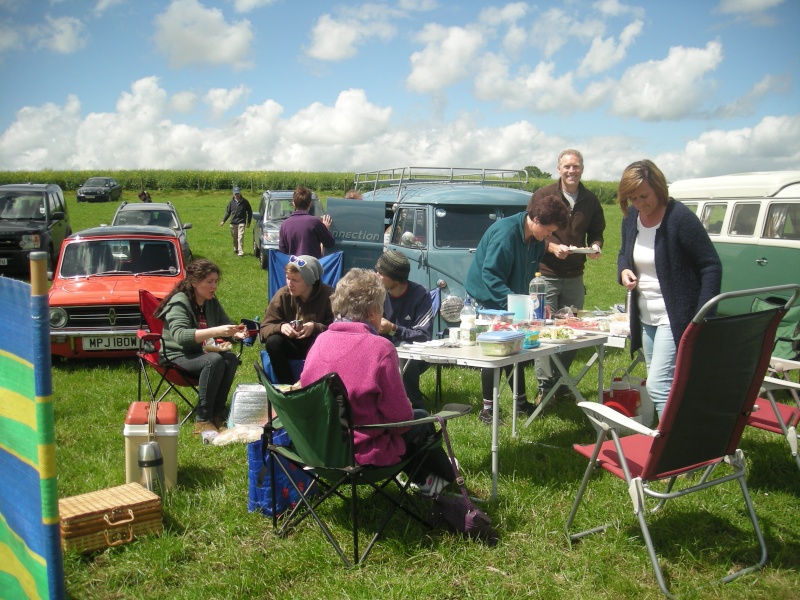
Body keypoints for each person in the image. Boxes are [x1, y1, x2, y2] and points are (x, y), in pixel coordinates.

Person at [301, 268, 456, 496]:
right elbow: (401, 421)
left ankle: (436, 476)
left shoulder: (320, 341)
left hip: (318, 450)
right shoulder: (380, 348)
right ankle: (439, 477)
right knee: (421, 418)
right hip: (362, 455)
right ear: (374, 311)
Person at [617, 159, 722, 420]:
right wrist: (623, 271)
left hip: (675, 315)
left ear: (659, 187)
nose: (639, 203)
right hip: (646, 315)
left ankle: (674, 449)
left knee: (658, 385)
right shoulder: (631, 218)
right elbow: (623, 253)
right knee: (662, 379)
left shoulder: (679, 218)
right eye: (633, 197)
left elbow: (711, 266)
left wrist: (702, 315)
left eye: (644, 196)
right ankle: (679, 437)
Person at [465, 195, 570, 424]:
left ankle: (520, 403)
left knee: (517, 350)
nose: (549, 236)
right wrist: (516, 306)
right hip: (489, 296)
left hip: (512, 297)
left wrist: (533, 304)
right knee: (496, 350)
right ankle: (488, 409)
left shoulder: (536, 239)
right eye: (548, 230)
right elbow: (490, 275)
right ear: (535, 219)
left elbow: (529, 276)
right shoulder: (506, 234)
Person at [531, 149, 606, 403]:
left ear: (582, 168)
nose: (571, 171)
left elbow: (597, 231)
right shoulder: (544, 195)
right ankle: (544, 387)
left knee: (572, 329)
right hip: (547, 274)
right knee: (545, 328)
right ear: (558, 168)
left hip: (575, 274)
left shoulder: (590, 200)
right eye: (567, 167)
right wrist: (552, 246)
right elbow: (533, 229)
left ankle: (559, 381)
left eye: (576, 166)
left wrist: (595, 246)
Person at [156, 259, 248, 436]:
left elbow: (225, 323)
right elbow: (181, 337)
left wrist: (236, 333)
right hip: (176, 354)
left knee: (229, 358)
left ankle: (216, 413)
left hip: (200, 352)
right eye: (209, 282)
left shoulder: (210, 301)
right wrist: (215, 331)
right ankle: (203, 419)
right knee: (213, 360)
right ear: (194, 282)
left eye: (215, 281)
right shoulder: (180, 302)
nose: (214, 286)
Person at [259, 254, 335, 384]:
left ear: (310, 281)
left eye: (295, 280)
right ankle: (288, 386)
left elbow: (341, 330)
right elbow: (264, 329)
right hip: (292, 345)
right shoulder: (283, 295)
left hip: (318, 347)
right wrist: (280, 327)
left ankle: (319, 386)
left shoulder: (329, 296)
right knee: (273, 342)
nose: (290, 284)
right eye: (288, 278)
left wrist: (316, 328)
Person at [374, 250, 434, 410]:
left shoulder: (420, 294)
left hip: (412, 355)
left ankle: (415, 407)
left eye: (381, 273)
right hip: (380, 350)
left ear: (396, 278)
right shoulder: (376, 293)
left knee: (402, 348)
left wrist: (393, 329)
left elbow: (423, 336)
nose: (376, 276)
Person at [278, 187, 335, 258]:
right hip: (311, 266)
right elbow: (330, 243)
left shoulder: (285, 225)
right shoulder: (315, 222)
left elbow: (282, 251)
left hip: (293, 266)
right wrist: (326, 228)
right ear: (310, 204)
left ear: (293, 204)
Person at [219, 186, 252, 256]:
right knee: (235, 237)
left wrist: (248, 221)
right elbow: (228, 212)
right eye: (235, 194)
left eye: (238, 194)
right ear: (233, 194)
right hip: (233, 222)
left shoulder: (245, 202)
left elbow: (250, 211)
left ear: (240, 193)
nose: (237, 195)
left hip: (241, 222)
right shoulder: (231, 203)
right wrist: (223, 221)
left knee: (240, 237)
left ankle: (240, 252)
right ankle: (236, 248)